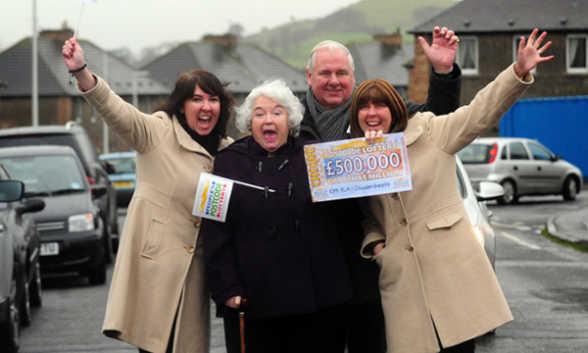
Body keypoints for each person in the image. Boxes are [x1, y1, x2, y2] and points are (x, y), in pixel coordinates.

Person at [350, 29, 553, 353]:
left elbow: (479, 112)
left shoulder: (431, 131)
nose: (372, 113)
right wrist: (375, 244)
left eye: (380, 105)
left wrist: (517, 73)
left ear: (396, 109)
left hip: (450, 276)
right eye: (364, 107)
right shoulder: (354, 158)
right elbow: (366, 217)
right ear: (356, 116)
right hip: (402, 282)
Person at [62, 37, 234, 353]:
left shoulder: (227, 149)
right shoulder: (157, 131)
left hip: (195, 275)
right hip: (156, 268)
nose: (206, 107)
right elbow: (115, 110)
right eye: (197, 100)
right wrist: (82, 72)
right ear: (182, 105)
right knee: (156, 347)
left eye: (212, 99)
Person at [300, 26, 462, 353]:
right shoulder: (293, 125)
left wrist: (443, 72)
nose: (334, 79)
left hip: (370, 270)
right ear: (308, 77)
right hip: (314, 275)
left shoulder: (374, 114)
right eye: (325, 72)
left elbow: (435, 118)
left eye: (342, 73)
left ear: (353, 76)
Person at [200, 79, 352, 353]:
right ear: (249, 122)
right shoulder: (224, 163)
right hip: (252, 302)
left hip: (317, 301)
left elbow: (347, 211)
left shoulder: (317, 155)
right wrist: (226, 288)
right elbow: (212, 230)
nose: (268, 119)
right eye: (259, 113)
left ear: (290, 121)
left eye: (277, 112)